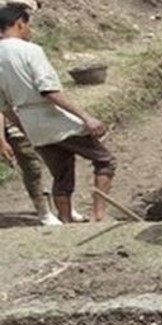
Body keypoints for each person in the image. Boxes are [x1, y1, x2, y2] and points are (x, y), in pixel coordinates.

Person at [0, 2, 114, 223]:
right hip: (53, 118)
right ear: (20, 24)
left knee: (61, 175)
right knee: (105, 160)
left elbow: (3, 106)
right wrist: (86, 117)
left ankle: (65, 223)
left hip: (32, 126)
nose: (30, 30)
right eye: (28, 25)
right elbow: (49, 91)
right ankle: (99, 216)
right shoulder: (30, 50)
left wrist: (26, 129)